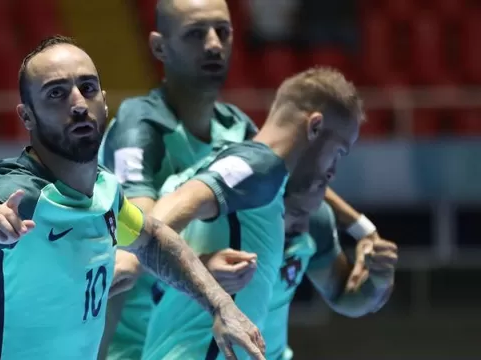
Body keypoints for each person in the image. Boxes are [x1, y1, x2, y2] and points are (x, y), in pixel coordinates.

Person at [0, 35, 266, 360]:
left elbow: (154, 240)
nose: (78, 104)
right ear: (27, 115)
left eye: (87, 88)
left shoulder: (105, 192)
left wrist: (222, 306)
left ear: (103, 101)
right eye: (56, 94)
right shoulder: (15, 191)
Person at [99, 1, 386, 359]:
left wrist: (359, 225)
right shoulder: (138, 126)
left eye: (223, 31)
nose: (214, 44)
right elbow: (133, 236)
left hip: (211, 331)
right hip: (135, 344)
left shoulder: (236, 127)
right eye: (196, 33)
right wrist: (199, 266)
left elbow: (288, 177)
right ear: (159, 47)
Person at [135, 66, 363, 360]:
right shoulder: (261, 166)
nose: (333, 171)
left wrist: (197, 269)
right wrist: (219, 302)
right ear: (315, 127)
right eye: (339, 152)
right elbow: (161, 220)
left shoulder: (243, 174)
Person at [259, 167, 398, 360]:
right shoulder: (220, 210)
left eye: (339, 153)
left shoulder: (314, 218)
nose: (332, 172)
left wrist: (377, 281)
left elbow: (346, 297)